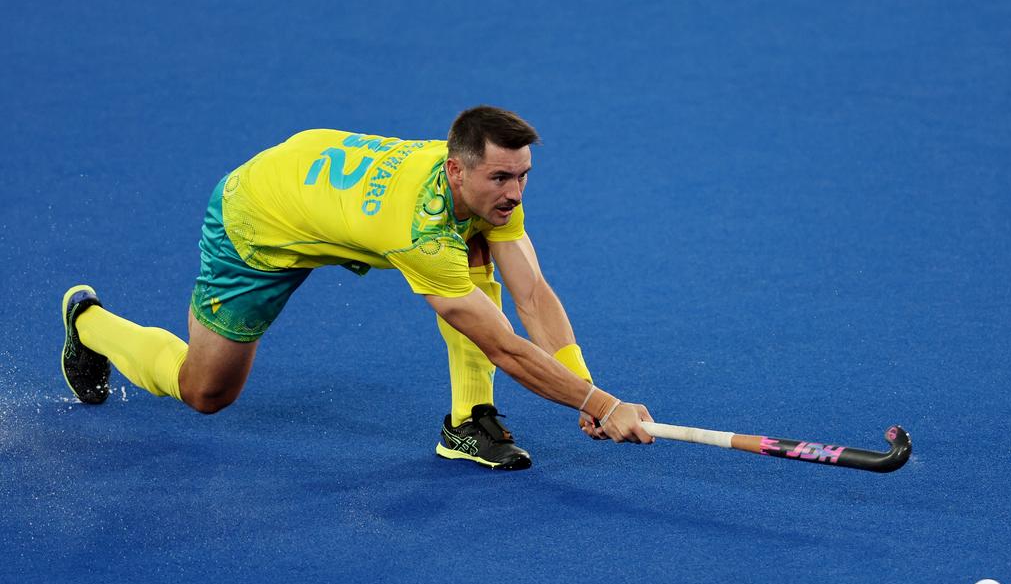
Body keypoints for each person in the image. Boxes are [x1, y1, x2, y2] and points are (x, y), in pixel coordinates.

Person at [60, 106, 655, 469]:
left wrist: (589, 388)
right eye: (502, 177)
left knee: (477, 245)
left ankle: (467, 422)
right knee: (205, 392)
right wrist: (600, 405)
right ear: (457, 169)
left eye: (524, 176)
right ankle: (89, 323)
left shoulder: (482, 188)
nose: (516, 193)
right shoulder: (418, 230)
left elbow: (533, 293)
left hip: (320, 187)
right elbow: (502, 343)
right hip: (259, 223)